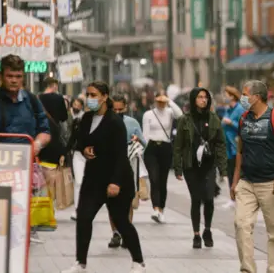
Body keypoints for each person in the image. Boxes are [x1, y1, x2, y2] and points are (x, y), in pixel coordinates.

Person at [62, 81, 145, 273]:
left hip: (117, 179)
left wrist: (115, 182)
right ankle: (80, 262)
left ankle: (138, 262)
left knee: (121, 221)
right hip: (93, 178)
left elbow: (120, 155)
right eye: (88, 95)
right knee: (83, 217)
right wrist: (84, 149)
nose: (90, 99)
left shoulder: (115, 122)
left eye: (94, 95)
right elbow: (80, 140)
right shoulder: (87, 118)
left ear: (104, 96)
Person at [230, 80, 274, 273]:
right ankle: (248, 270)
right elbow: (240, 152)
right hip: (247, 183)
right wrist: (235, 182)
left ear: (256, 97)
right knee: (241, 225)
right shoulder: (244, 119)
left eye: (245, 94)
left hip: (271, 184)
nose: (242, 98)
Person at [0, 55, 50, 243]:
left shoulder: (32, 100)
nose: (14, 80)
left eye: (18, 76)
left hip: (23, 171)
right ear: (1, 76)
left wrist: (37, 145)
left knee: (19, 220)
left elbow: (45, 131)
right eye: (10, 76)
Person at [173, 87, 227, 248]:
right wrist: (177, 168)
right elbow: (178, 146)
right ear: (193, 99)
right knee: (196, 199)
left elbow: (220, 144)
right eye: (200, 97)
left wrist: (223, 170)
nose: (203, 100)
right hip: (191, 166)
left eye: (205, 97)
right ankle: (196, 234)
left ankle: (207, 230)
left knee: (209, 199)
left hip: (209, 165)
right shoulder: (185, 119)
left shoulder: (213, 118)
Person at [107, 94, 147, 249]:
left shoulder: (132, 122)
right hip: (111, 165)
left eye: (120, 109)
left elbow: (144, 143)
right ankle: (115, 233)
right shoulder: (106, 122)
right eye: (114, 109)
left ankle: (126, 232)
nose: (117, 112)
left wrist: (137, 139)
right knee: (112, 201)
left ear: (125, 107)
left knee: (129, 200)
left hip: (129, 165)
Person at [141, 91, 183, 224]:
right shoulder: (148, 114)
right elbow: (145, 134)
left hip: (165, 147)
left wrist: (170, 100)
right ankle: (156, 208)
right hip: (151, 148)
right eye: (158, 101)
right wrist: (142, 151)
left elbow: (180, 114)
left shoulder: (170, 112)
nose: (161, 104)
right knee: (154, 178)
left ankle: (162, 209)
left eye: (163, 101)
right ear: (154, 101)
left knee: (162, 180)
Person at [220, 86, 245, 209]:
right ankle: (232, 198)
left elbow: (244, 126)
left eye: (226, 94)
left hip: (236, 146)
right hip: (228, 146)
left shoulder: (239, 109)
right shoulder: (227, 109)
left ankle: (239, 198)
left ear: (232, 96)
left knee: (238, 173)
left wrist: (231, 123)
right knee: (230, 172)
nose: (224, 97)